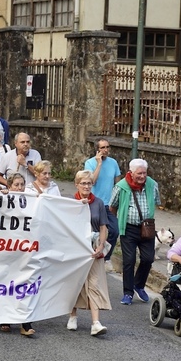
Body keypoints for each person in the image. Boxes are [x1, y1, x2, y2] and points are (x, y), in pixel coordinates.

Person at [108, 158, 162, 305]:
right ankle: (128, 293)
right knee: (129, 260)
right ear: (131, 173)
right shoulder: (121, 186)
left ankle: (138, 285)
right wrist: (114, 225)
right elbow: (112, 207)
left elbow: (156, 202)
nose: (142, 176)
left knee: (148, 258)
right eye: (139, 173)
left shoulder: (152, 185)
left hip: (147, 227)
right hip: (128, 228)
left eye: (144, 173)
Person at [67, 170, 112, 336]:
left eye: (89, 183)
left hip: (93, 250)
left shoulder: (98, 203)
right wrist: (79, 206)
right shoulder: (71, 202)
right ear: (76, 184)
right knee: (75, 283)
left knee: (94, 284)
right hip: (76, 249)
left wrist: (101, 245)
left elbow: (102, 227)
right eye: (83, 183)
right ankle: (72, 315)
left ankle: (95, 322)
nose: (86, 186)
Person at [0, 173, 36, 336]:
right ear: (9, 186)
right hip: (6, 250)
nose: (19, 188)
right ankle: (4, 317)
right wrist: (3, 196)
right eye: (16, 185)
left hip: (25, 251)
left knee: (24, 284)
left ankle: (25, 322)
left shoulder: (32, 201)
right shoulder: (2, 199)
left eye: (22, 185)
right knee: (6, 283)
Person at [85, 139, 122, 272]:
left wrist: (116, 203)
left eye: (107, 147)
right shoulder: (89, 163)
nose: (105, 150)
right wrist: (99, 164)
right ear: (97, 149)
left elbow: (117, 183)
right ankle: (91, 256)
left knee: (114, 230)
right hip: (94, 203)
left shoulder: (113, 163)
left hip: (109, 204)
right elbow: (91, 181)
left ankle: (106, 257)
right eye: (102, 148)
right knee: (94, 233)